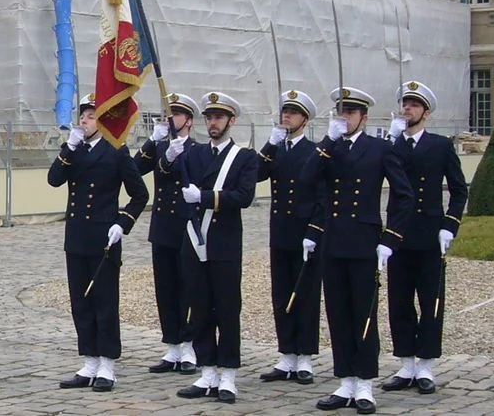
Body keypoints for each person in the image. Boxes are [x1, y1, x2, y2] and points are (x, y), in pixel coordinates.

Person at [305, 87, 413, 414]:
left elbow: (404, 195)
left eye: (351, 112)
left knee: (363, 313)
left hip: (365, 241)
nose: (345, 117)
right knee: (338, 312)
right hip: (334, 240)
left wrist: (390, 238)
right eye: (341, 111)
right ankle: (345, 380)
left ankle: (365, 381)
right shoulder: (330, 149)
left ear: (364, 117)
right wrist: (326, 142)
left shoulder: (379, 149)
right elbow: (307, 179)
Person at [47, 94, 149, 392]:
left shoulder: (116, 151)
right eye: (83, 116)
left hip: (105, 236)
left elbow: (139, 194)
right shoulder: (74, 151)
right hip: (77, 235)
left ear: (103, 121)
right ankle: (89, 360)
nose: (83, 121)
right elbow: (54, 179)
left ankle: (107, 362)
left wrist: (123, 222)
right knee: (80, 301)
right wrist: (69, 146)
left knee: (104, 301)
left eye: (90, 116)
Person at [167, 92, 259, 404]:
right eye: (209, 117)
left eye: (219, 117)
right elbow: (172, 182)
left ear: (231, 121)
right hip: (194, 240)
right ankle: (207, 370)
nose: (212, 122)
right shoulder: (194, 155)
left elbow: (244, 197)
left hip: (224, 243)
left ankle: (229, 374)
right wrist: (170, 157)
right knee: (199, 306)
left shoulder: (245, 157)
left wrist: (205, 199)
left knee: (228, 308)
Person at [380, 81, 468, 396]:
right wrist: (389, 141)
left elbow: (459, 189)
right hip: (398, 235)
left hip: (430, 235)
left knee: (430, 301)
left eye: (414, 105)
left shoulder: (441, 146)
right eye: (405, 104)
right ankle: (406, 364)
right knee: (399, 300)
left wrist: (450, 224)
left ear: (426, 113)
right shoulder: (390, 146)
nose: (407, 109)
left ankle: (426, 366)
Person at [256, 91, 325, 385]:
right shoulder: (277, 149)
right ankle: (287, 355)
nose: (286, 116)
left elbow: (323, 195)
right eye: (284, 111)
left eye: (293, 113)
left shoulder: (315, 150)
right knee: (281, 293)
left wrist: (315, 230)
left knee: (306, 294)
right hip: (281, 230)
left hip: (305, 231)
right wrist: (269, 144)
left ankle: (305, 357)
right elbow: (255, 174)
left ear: (305, 119)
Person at [133, 93, 201, 375]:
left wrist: (177, 155)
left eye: (174, 115)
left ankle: (189, 345)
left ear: (188, 120)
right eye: (165, 115)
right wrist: (152, 141)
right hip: (162, 226)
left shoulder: (198, 149)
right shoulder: (161, 148)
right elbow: (135, 170)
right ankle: (172, 344)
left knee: (188, 287)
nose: (168, 119)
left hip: (185, 227)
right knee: (166, 288)